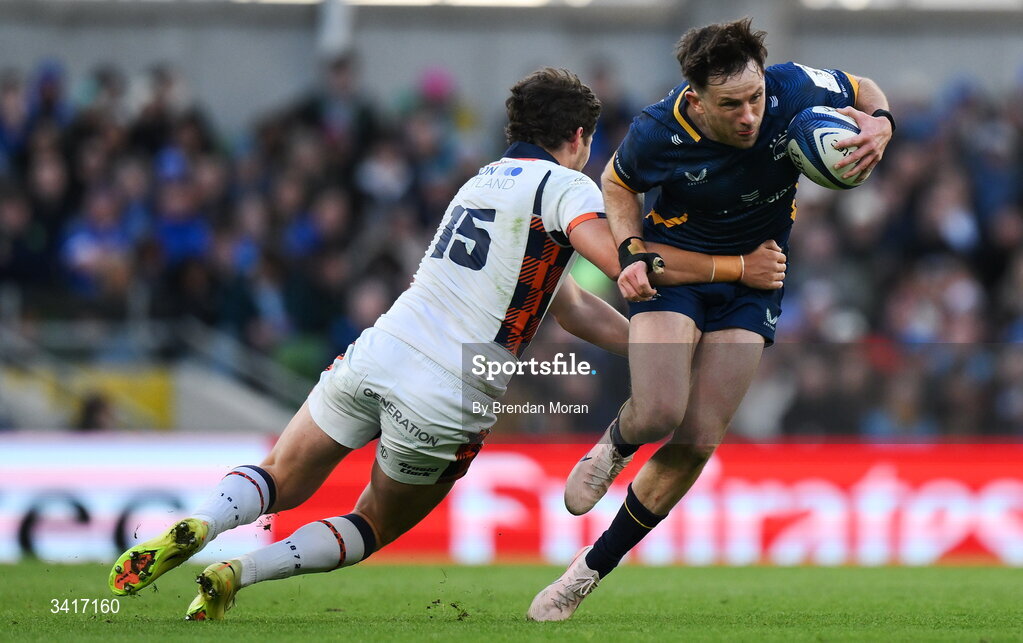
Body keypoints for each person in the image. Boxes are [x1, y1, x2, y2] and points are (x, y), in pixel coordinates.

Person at [106, 67, 784, 621]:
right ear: (578, 136)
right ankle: (237, 570)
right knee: (374, 521)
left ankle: (201, 522)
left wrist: (650, 348)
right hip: (451, 387)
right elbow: (621, 262)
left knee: (281, 472)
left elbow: (570, 305)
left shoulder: (478, 182)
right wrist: (730, 270)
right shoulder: (566, 184)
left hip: (381, 348)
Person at [528, 18, 894, 621]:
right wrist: (630, 251)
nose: (749, 115)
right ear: (696, 100)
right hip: (679, 273)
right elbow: (616, 183)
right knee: (659, 412)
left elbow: (861, 87)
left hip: (757, 281)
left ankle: (586, 572)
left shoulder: (791, 86)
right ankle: (616, 445)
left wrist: (881, 123)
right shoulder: (658, 129)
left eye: (755, 98)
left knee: (698, 440)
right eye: (731, 105)